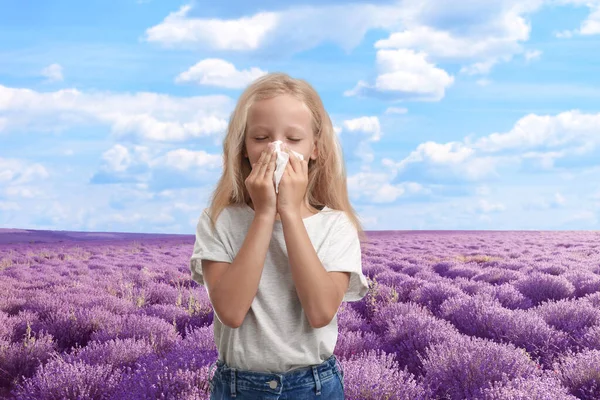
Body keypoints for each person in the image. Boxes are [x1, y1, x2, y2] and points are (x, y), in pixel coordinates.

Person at [189, 72, 370, 399]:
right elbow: (230, 311)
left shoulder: (336, 226)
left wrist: (288, 212)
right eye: (261, 138)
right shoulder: (219, 221)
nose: (276, 149)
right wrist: (263, 215)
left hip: (314, 386)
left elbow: (320, 312)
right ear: (243, 148)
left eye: (293, 139)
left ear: (315, 148)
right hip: (238, 388)